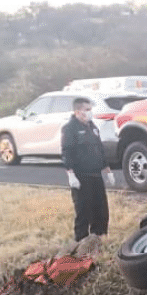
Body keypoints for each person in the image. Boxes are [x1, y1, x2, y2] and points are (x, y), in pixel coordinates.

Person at [61, 97, 115, 243]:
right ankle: (81, 242)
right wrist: (71, 175)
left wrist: (107, 170)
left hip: (96, 175)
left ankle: (98, 239)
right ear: (77, 111)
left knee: (101, 210)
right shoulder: (70, 129)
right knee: (84, 211)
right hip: (81, 176)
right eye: (87, 110)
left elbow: (100, 150)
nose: (90, 113)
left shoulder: (92, 127)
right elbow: (67, 153)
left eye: (90, 109)